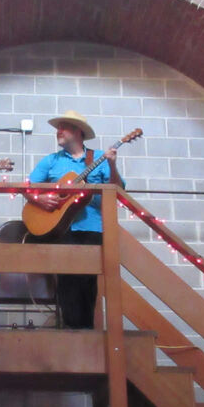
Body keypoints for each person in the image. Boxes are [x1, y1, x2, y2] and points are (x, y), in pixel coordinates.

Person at [23, 110, 124, 329]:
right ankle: (72, 332)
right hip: (60, 229)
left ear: (78, 132)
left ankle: (85, 332)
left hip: (92, 228)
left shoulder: (98, 158)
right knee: (67, 282)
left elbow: (118, 189)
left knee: (88, 283)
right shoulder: (51, 161)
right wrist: (39, 200)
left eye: (64, 127)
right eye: (58, 128)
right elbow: (27, 187)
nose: (58, 131)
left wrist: (113, 165)